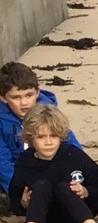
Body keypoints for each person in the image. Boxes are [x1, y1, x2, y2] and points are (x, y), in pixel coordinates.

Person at [7, 104, 98, 223]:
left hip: (76, 218)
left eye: (54, 136)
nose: (48, 142)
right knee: (41, 186)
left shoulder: (74, 155)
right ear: (30, 139)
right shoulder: (25, 162)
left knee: (64, 187)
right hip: (42, 221)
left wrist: (86, 192)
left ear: (61, 136)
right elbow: (14, 200)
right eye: (41, 137)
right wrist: (23, 202)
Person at [1, 61, 81, 199]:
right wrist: (19, 190)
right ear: (3, 97)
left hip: (49, 168)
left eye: (29, 95)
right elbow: (3, 164)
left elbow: (71, 146)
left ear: (37, 92)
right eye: (16, 97)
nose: (24, 103)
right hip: (17, 175)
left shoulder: (48, 112)